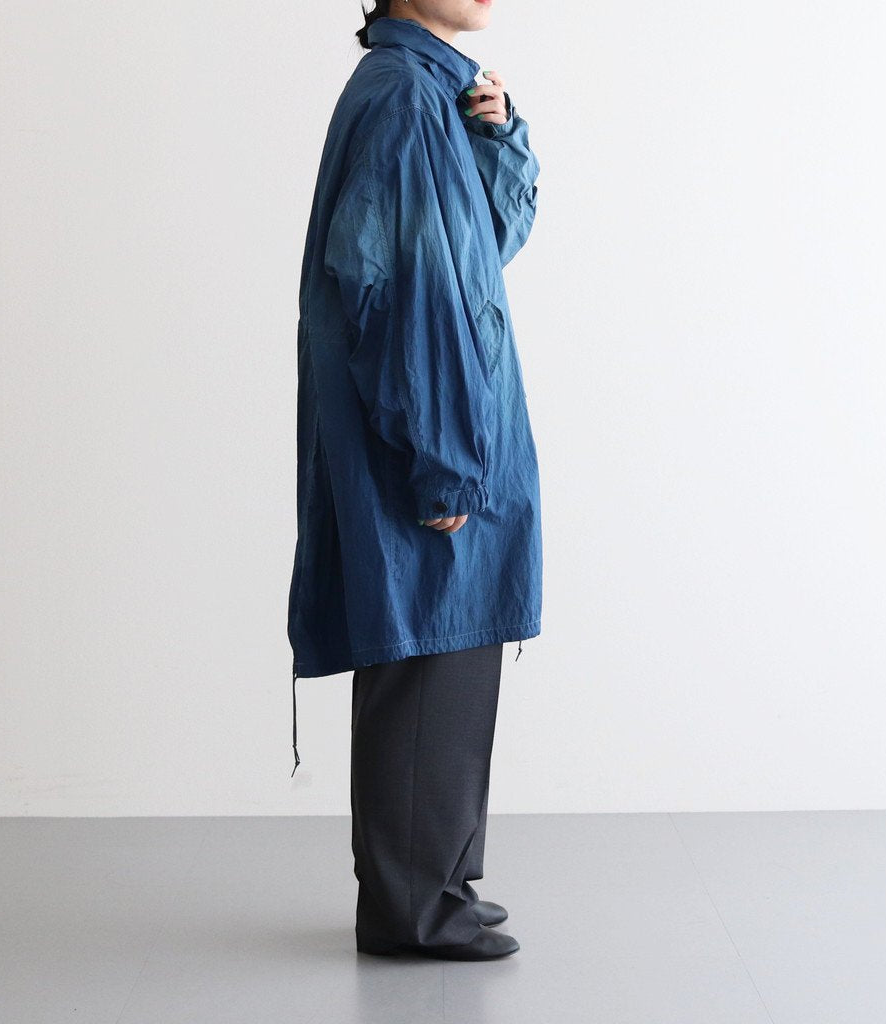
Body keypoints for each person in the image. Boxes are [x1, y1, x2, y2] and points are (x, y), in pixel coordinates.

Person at [287, 0, 543, 961]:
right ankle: (410, 911)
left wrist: (496, 143)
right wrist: (443, 460)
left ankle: (441, 884)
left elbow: (480, 254)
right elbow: (399, 294)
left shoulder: (435, 94)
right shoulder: (401, 96)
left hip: (446, 430)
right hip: (426, 441)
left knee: (452, 657)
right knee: (427, 657)